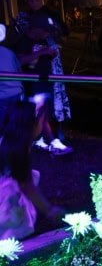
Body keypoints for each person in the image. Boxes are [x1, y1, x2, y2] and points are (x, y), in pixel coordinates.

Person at [14, 0, 72, 155]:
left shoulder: (51, 15)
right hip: (33, 64)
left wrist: (49, 37)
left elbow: (63, 35)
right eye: (30, 0)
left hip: (50, 62)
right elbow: (21, 37)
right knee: (39, 103)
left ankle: (49, 136)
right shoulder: (24, 18)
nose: (34, 3)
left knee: (50, 101)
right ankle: (43, 139)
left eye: (37, 0)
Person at [0, 101, 64, 239]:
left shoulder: (8, 141)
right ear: (31, 126)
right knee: (11, 223)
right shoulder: (19, 152)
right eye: (41, 121)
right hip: (5, 195)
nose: (43, 125)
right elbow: (27, 186)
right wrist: (49, 210)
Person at [0, 24, 24, 127]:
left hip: (3, 94)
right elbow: (19, 71)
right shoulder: (9, 52)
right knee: (12, 125)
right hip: (16, 92)